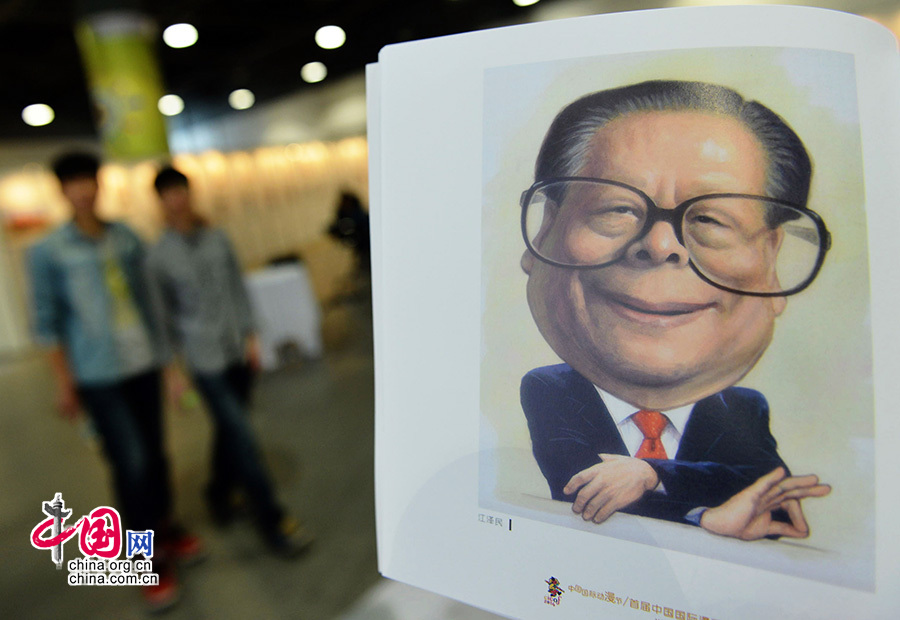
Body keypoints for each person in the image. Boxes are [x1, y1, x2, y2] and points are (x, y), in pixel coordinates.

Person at [519, 80, 831, 540]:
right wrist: (705, 514)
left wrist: (650, 475)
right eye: (618, 208)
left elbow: (773, 502)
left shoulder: (744, 409)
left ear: (770, 261)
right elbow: (584, 495)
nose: (661, 244)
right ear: (546, 230)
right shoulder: (548, 389)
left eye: (709, 219)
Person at [27, 152, 200, 611]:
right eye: (73, 182)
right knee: (131, 463)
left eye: (89, 180)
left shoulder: (124, 237)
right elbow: (46, 323)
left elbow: (151, 302)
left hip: (142, 363)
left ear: (99, 184)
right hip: (98, 374)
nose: (83, 190)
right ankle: (145, 558)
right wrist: (64, 383)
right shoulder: (49, 251)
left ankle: (165, 527)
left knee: (156, 456)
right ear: (62, 190)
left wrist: (169, 365)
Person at [147, 166, 312, 557]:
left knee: (229, 431)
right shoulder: (158, 257)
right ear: (161, 202)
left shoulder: (217, 238)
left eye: (181, 190)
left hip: (236, 348)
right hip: (204, 359)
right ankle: (273, 519)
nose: (177, 199)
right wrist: (172, 373)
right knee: (242, 435)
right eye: (169, 194)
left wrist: (252, 336)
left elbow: (238, 286)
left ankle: (218, 493)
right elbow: (161, 318)